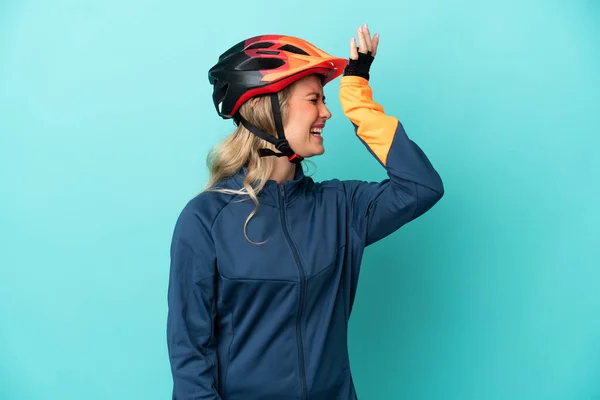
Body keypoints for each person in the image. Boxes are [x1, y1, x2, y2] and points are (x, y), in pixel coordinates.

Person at [166, 24, 444, 400]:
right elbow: (190, 355)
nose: (327, 113)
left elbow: (420, 186)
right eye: (314, 99)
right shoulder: (205, 219)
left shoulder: (341, 208)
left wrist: (357, 93)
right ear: (267, 107)